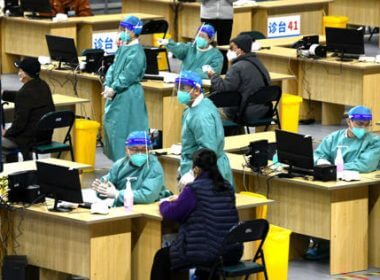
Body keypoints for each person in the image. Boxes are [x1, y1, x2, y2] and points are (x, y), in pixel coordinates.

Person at [151, 148, 243, 280]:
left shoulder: (194, 189)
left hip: (206, 254)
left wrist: (164, 203)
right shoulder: (227, 187)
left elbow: (171, 213)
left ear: (196, 169)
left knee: (162, 257)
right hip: (231, 252)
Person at [102, 15, 149, 162]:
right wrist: (108, 84)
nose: (122, 32)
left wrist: (115, 87)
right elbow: (114, 67)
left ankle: (127, 163)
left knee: (126, 129)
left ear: (134, 32)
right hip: (118, 94)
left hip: (129, 95)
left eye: (125, 29)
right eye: (121, 28)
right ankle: (118, 164)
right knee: (113, 129)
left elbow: (129, 74)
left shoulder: (137, 52)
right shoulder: (123, 48)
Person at [176, 71, 234, 187]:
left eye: (183, 88)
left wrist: (193, 173)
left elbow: (208, 150)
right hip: (200, 167)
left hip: (206, 172)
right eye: (178, 88)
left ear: (196, 90)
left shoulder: (201, 116)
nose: (179, 92)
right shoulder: (202, 104)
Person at [92, 131, 169, 207]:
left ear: (149, 150)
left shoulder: (153, 166)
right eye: (134, 149)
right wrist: (100, 188)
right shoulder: (120, 165)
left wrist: (117, 194)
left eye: (143, 150)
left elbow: (148, 196)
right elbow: (107, 184)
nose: (139, 153)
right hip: (123, 206)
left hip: (148, 207)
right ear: (126, 150)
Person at [207, 34, 271, 124]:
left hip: (246, 112)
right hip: (265, 110)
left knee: (207, 110)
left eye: (232, 48)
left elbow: (223, 88)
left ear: (240, 50)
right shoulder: (259, 63)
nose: (229, 51)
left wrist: (212, 75)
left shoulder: (237, 67)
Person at [2, 58, 55, 162]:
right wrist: (3, 94)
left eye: (20, 70)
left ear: (25, 74)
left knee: (3, 144)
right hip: (44, 137)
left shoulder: (24, 93)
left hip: (28, 140)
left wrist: (6, 132)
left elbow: (19, 126)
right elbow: (24, 97)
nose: (18, 73)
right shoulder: (43, 86)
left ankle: (7, 175)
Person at [314, 105, 380, 173]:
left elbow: (366, 165)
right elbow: (317, 154)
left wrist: (334, 168)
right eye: (360, 124)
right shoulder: (333, 138)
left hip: (363, 180)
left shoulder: (375, 141)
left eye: (367, 124)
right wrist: (320, 161)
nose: (363, 128)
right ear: (348, 121)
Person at [157, 24, 223, 79]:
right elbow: (179, 49)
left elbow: (213, 72)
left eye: (203, 36)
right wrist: (168, 43)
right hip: (183, 83)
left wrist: (191, 74)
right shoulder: (190, 47)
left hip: (202, 86)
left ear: (210, 39)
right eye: (198, 35)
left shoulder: (216, 55)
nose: (199, 38)